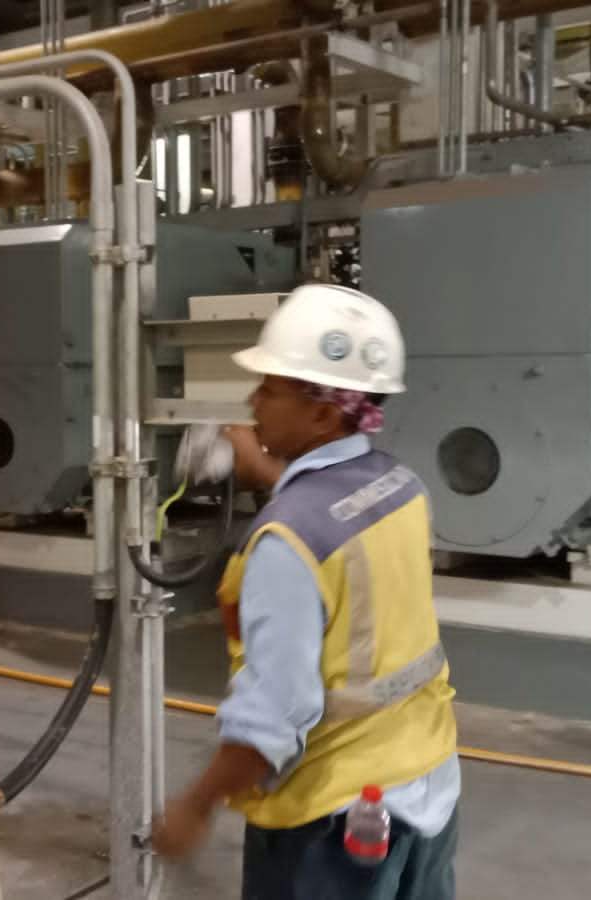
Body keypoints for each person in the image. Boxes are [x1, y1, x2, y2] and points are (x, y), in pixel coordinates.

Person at [152, 284, 460, 900]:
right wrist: (273, 474)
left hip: (331, 822)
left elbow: (272, 721)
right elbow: (336, 512)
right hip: (428, 791)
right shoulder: (401, 487)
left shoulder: (284, 545)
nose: (253, 402)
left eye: (269, 388)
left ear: (322, 415)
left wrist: (195, 806)